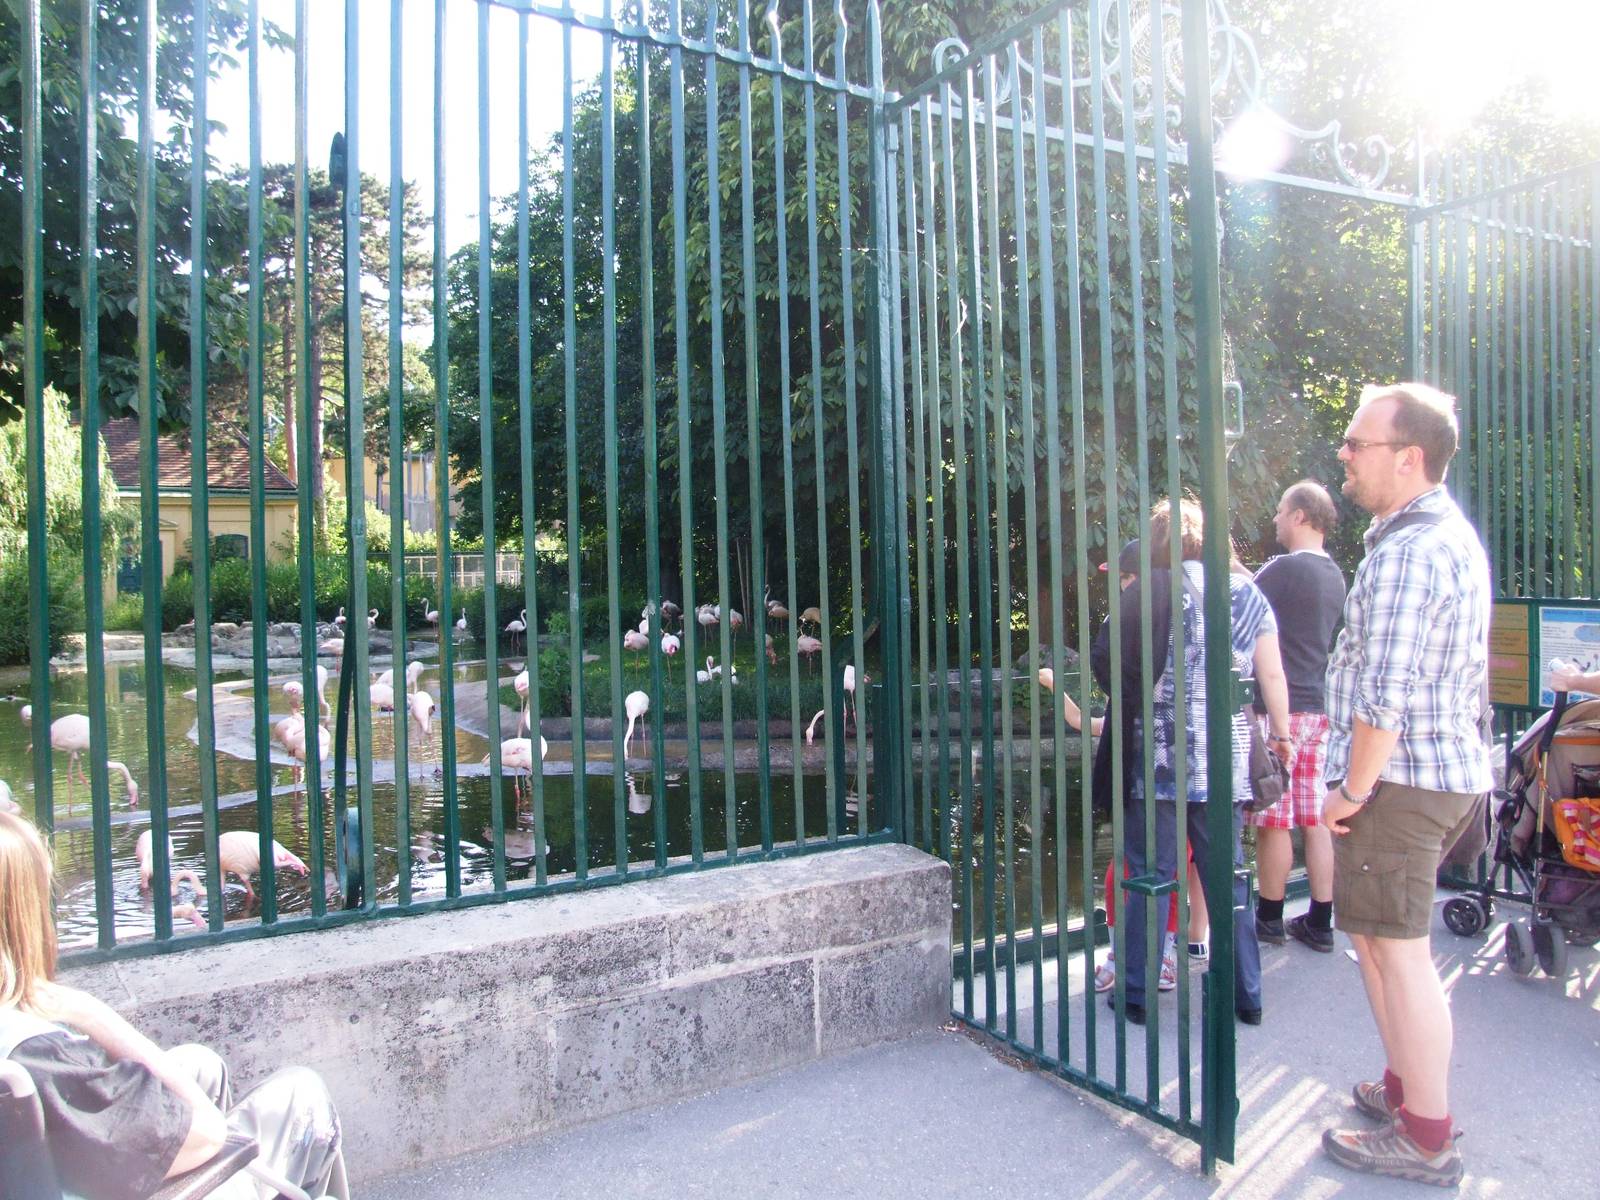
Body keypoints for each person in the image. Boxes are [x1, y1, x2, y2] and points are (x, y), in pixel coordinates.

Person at [1319, 383, 1491, 1189]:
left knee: (1401, 953)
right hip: (1426, 775)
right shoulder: (1426, 535)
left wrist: (1350, 790)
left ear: (1409, 456)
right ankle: (1402, 1089)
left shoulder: (1412, 551)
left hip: (1400, 780)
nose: (1345, 456)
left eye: (1358, 444)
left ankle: (1426, 1134)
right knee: (1379, 945)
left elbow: (1383, 692)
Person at [0, 811, 349, 1200]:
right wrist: (90, 1013)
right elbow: (208, 1133)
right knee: (303, 1093)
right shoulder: (39, 1057)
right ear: (25, 918)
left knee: (202, 1064)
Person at [1097, 505, 1291, 1026]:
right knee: (1227, 874)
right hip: (1222, 762)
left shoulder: (1144, 592)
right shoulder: (1246, 592)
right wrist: (1283, 733)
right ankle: (1244, 995)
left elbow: (1108, 663)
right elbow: (1270, 675)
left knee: (1149, 874)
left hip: (1154, 760)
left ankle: (1135, 993)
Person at [1046, 538, 1209, 997]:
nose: (1122, 587)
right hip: (1182, 762)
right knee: (1143, 868)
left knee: (1153, 869)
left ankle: (1150, 961)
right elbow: (1098, 718)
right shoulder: (1195, 610)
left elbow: (1115, 682)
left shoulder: (1147, 620)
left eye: (1125, 578)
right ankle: (1141, 955)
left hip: (1161, 764)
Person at [1248, 481, 1348, 952]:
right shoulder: (1335, 575)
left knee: (1274, 818)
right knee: (1315, 816)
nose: (1275, 519)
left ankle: (1268, 918)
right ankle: (1320, 921)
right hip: (1319, 708)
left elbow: (1240, 603)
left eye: (1281, 511)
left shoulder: (1284, 570)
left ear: (1302, 516)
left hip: (1280, 711)